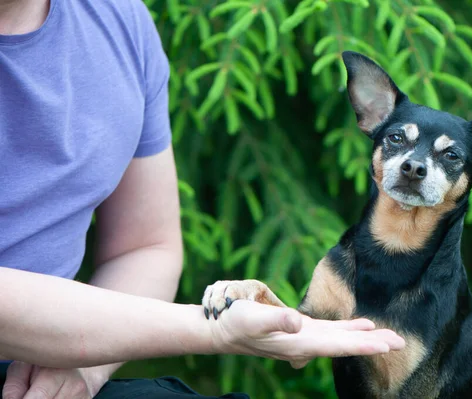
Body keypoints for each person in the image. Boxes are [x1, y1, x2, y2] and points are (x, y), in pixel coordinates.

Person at [0, 1, 405, 398]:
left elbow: (145, 247)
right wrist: (213, 328)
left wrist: (85, 366)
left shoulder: (118, 19)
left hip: (33, 370)